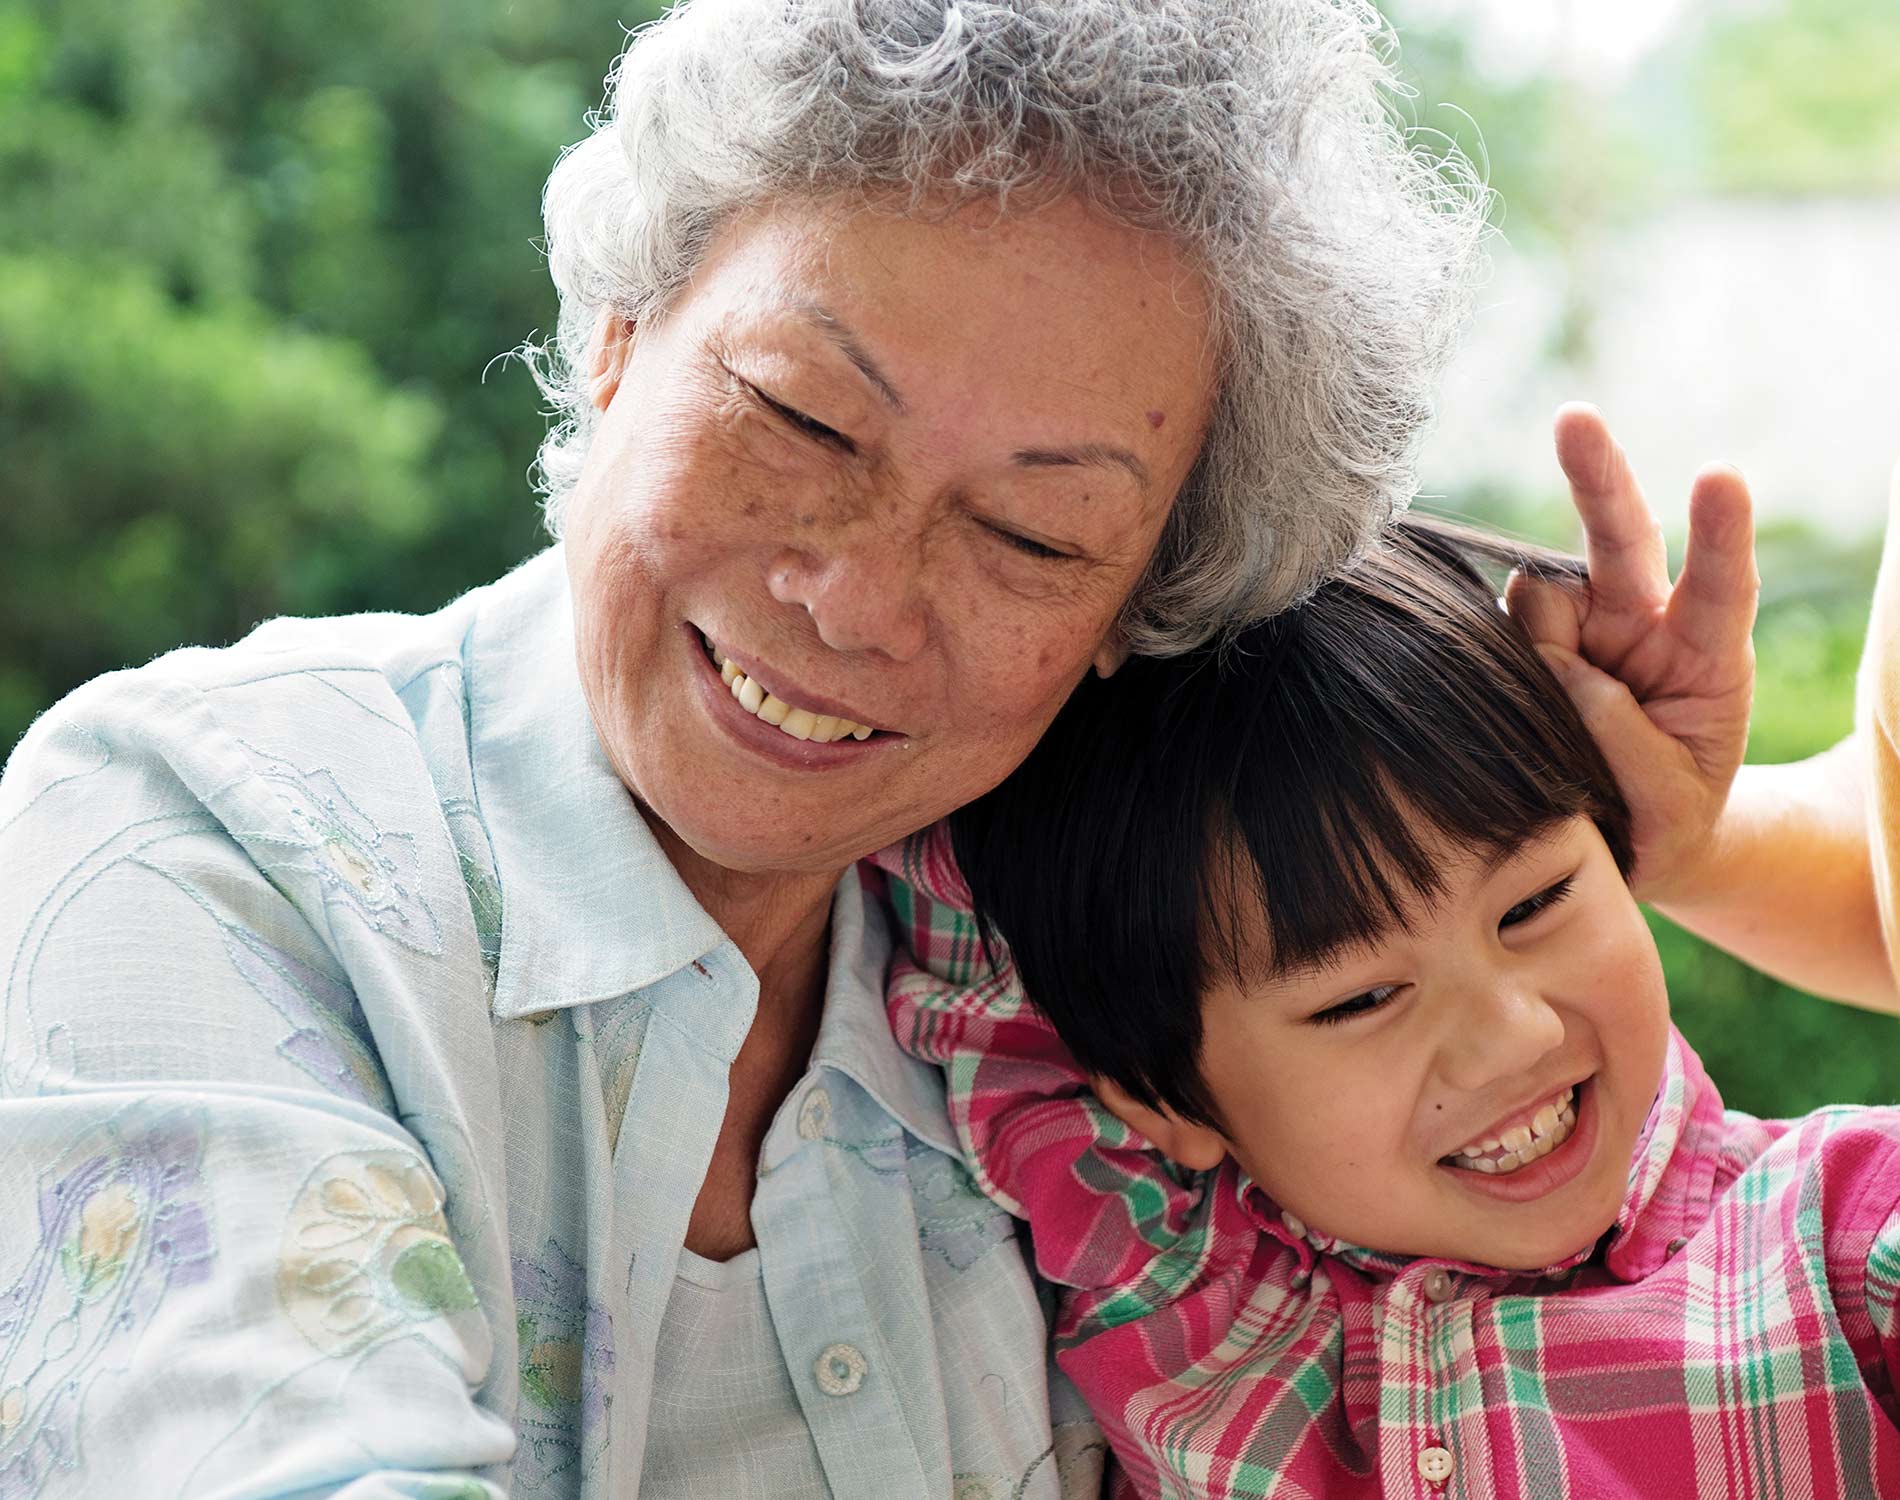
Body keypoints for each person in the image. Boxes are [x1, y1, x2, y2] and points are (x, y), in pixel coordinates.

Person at [0, 2, 1528, 1495]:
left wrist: (1642, 834)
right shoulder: (196, 835)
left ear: (1139, 610)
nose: (858, 602)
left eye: (1032, 534)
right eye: (799, 417)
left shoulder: (1086, 973)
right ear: (619, 326)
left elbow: (1634, 1293)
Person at [881, 513, 1900, 1498]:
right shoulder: (1174, 1273)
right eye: (1363, 998)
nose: (1515, 1036)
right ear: (1165, 1101)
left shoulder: (1844, 1247)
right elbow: (906, 806)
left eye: (1537, 902)